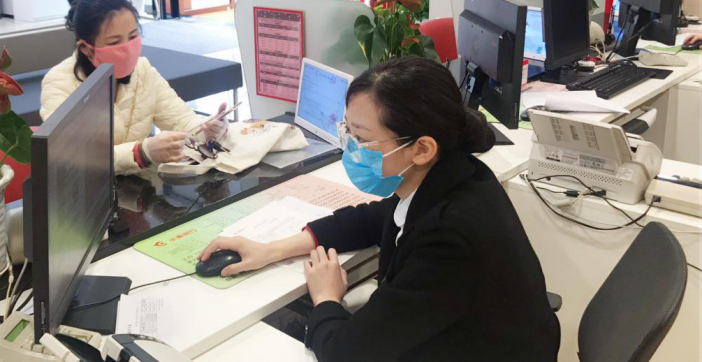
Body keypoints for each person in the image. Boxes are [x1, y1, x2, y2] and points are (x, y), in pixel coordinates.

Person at [200, 57, 560, 361]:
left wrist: (326, 299)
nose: (352, 149)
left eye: (362, 138)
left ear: (422, 149)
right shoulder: (452, 173)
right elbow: (376, 218)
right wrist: (272, 249)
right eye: (348, 133)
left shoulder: (449, 238)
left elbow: (344, 354)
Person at [40, 0, 229, 174]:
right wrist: (140, 153)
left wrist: (207, 128)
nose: (127, 49)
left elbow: (180, 119)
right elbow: (71, 157)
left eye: (132, 37)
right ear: (86, 48)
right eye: (114, 42)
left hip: (139, 185)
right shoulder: (59, 83)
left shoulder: (143, 70)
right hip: (87, 191)